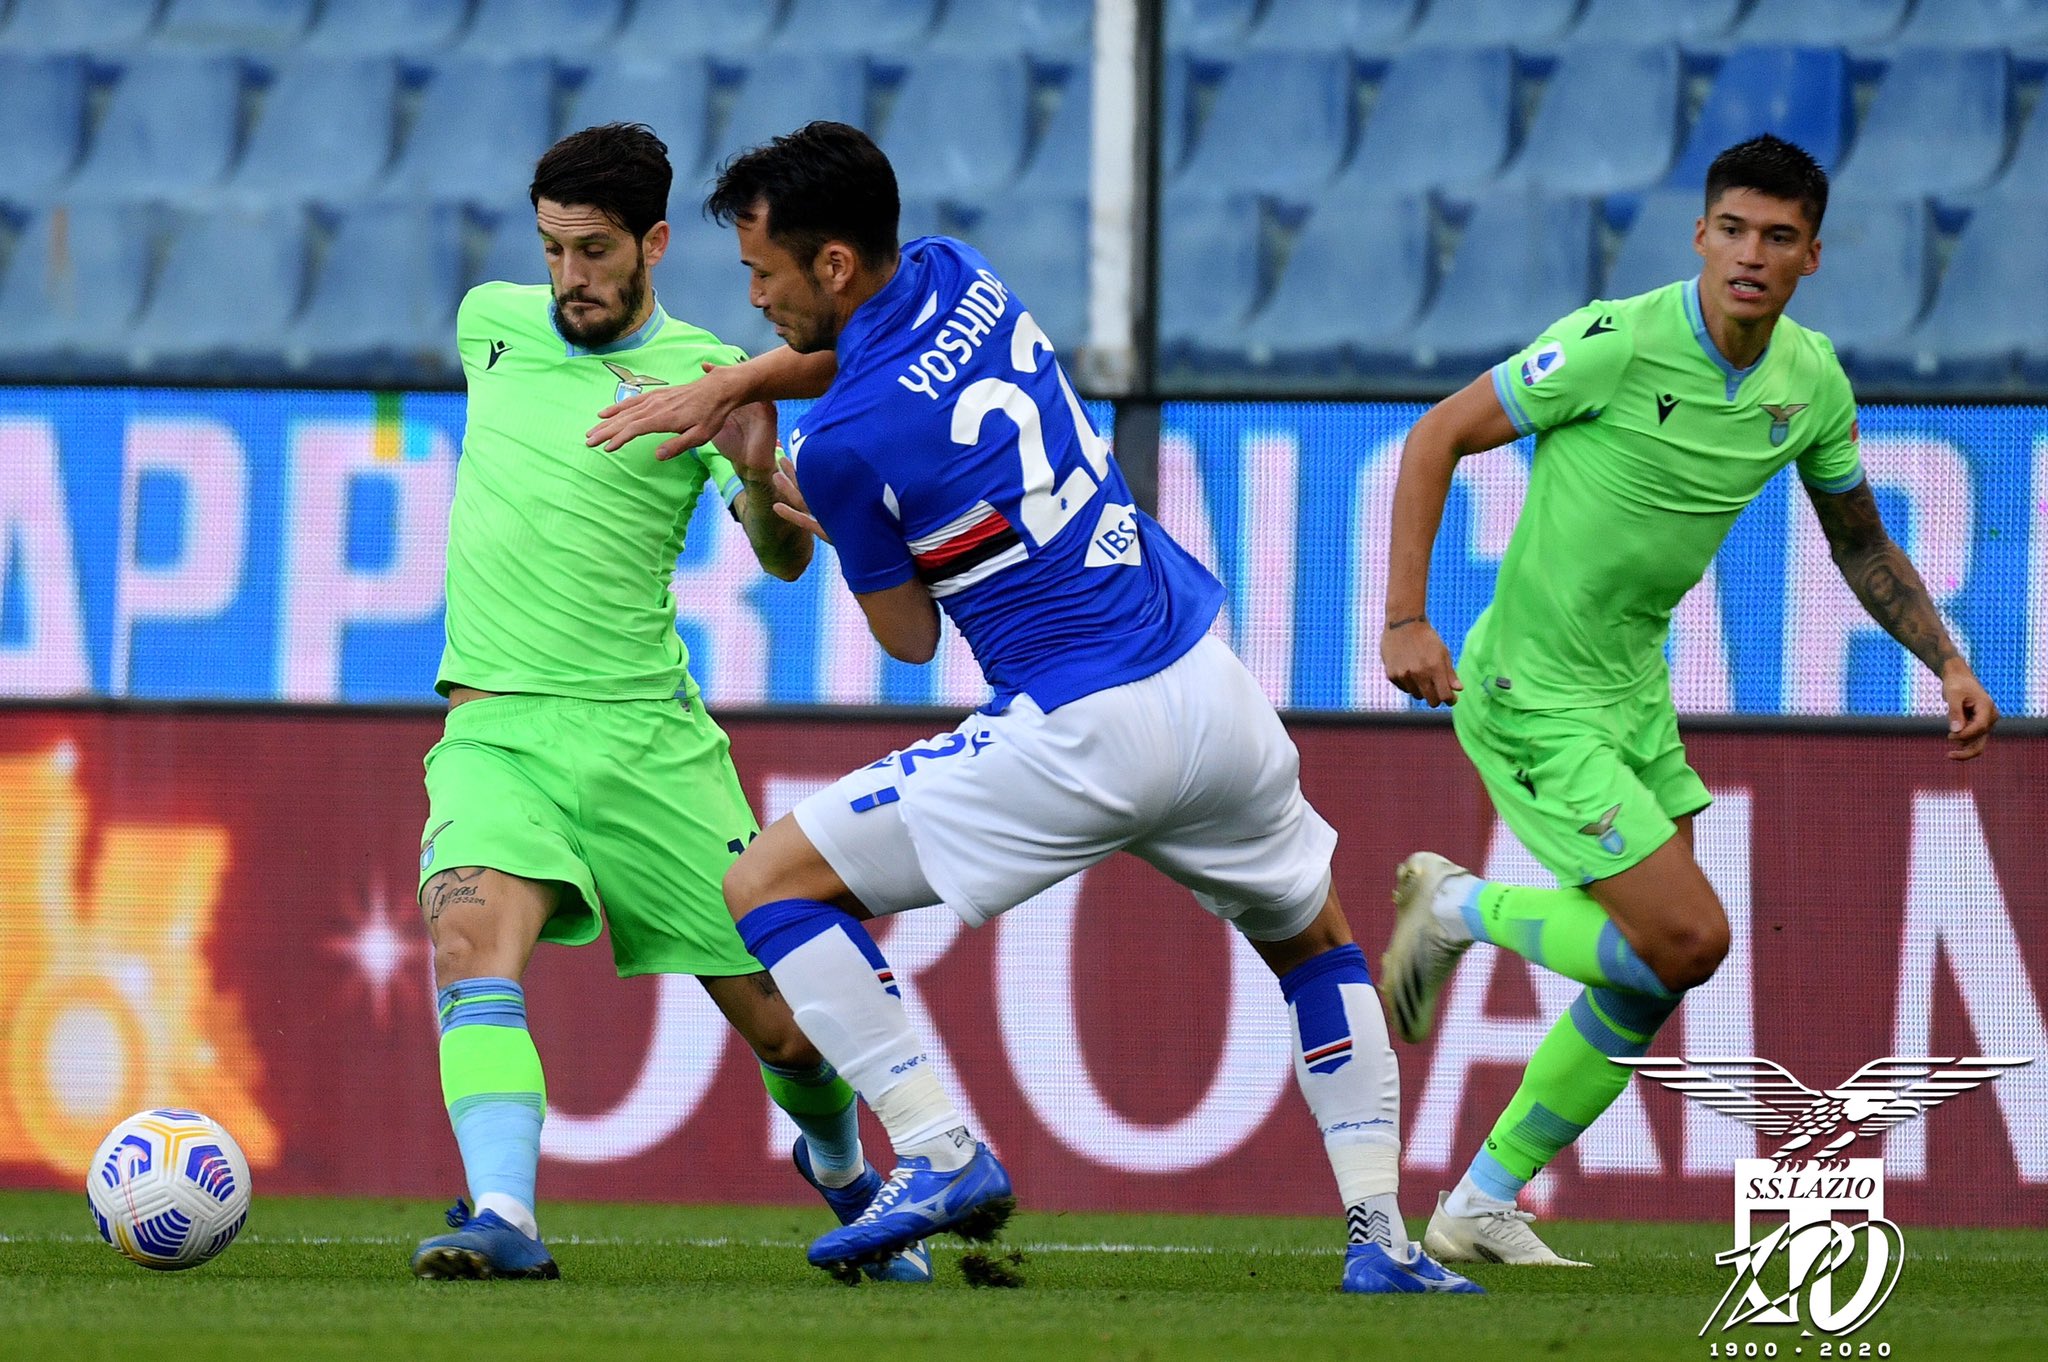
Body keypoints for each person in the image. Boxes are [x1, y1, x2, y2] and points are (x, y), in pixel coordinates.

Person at [592, 119, 1481, 1295]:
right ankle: (1383, 1239)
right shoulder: (964, 275)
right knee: (1311, 939)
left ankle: (938, 1147)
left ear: (835, 265)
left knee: (765, 885)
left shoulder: (850, 446)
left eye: (762, 274)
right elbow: (853, 362)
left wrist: (785, 487)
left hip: (1078, 725)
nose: (752, 299)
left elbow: (906, 638)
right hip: (1208, 689)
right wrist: (742, 380)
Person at [1376, 134, 1998, 1267]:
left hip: (1631, 691)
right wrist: (1404, 619)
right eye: (1730, 231)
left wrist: (1945, 661)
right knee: (1687, 935)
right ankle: (1459, 910)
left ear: (1810, 255)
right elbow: (1436, 437)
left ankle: (1479, 1198)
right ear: (1698, 235)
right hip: (1528, 688)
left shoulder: (1808, 381)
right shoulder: (1614, 343)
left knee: (1661, 964)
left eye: (1775, 238)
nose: (1747, 256)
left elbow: (1856, 540)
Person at [409, 122, 929, 1284]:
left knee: (790, 1030)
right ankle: (503, 1214)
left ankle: (842, 1172)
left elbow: (784, 562)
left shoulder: (706, 374)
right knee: (465, 940)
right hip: (497, 730)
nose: (567, 280)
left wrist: (749, 468)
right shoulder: (487, 326)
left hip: (648, 743)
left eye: (593, 252)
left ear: (651, 244)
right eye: (551, 250)